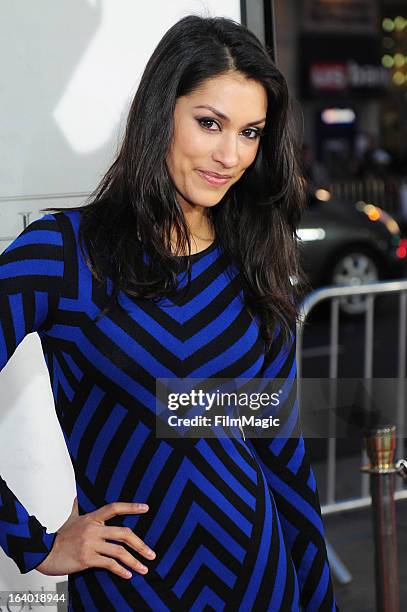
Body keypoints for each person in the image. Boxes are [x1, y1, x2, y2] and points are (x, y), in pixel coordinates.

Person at [0, 14, 338, 611]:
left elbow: (280, 453)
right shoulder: (64, 254)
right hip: (135, 592)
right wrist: (32, 543)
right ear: (161, 113)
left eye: (251, 133)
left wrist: (318, 600)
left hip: (264, 579)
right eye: (210, 123)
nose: (230, 155)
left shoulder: (254, 260)